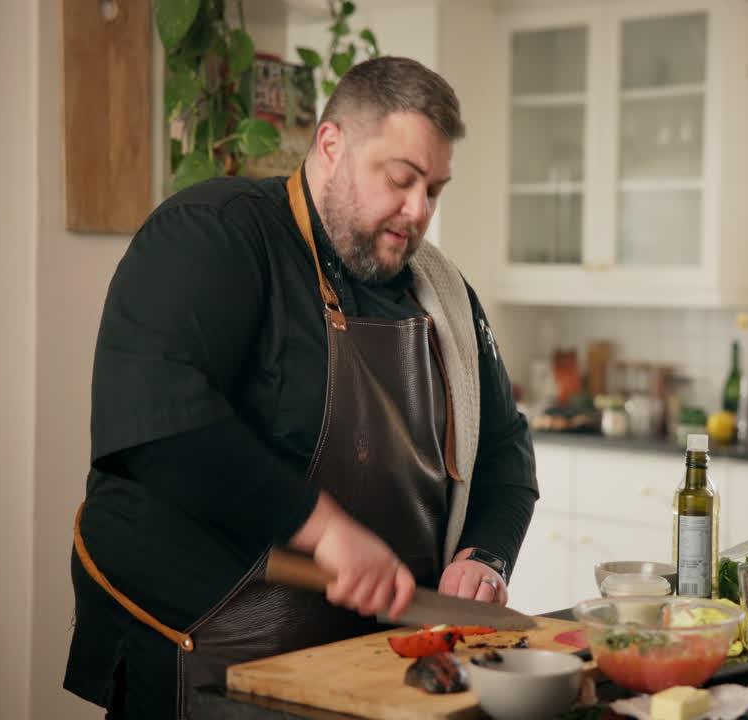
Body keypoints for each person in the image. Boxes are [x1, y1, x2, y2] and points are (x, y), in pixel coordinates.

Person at [65, 56, 538, 719]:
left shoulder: (444, 291)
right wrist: (322, 529)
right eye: (401, 180)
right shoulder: (215, 233)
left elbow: (506, 453)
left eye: (435, 189)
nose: (418, 210)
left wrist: (484, 556)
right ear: (332, 144)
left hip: (378, 670)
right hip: (204, 658)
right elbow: (161, 423)